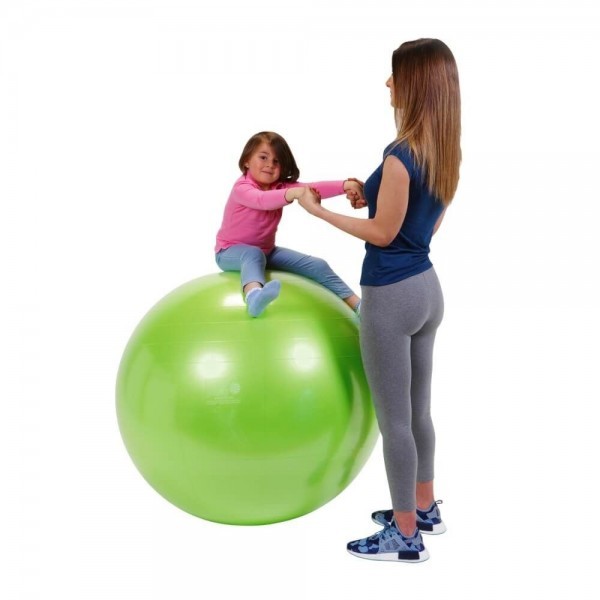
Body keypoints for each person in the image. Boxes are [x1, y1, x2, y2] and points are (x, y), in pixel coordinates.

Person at [298, 39, 461, 563]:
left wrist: (319, 213)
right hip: (427, 290)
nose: (388, 83)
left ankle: (405, 536)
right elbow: (422, 224)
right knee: (418, 412)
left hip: (391, 296)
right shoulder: (443, 152)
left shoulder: (399, 156)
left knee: (394, 422)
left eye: (395, 75)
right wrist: (364, 192)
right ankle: (424, 507)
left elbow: (385, 233)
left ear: (414, 84)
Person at [215, 131, 364, 317]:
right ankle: (254, 297)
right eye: (263, 157)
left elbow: (312, 188)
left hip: (267, 252)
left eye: (277, 161)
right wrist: (294, 194)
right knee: (252, 254)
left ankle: (358, 306)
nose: (270, 165)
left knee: (317, 265)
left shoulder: (280, 186)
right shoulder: (242, 188)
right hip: (229, 252)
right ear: (246, 161)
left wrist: (345, 185)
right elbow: (262, 200)